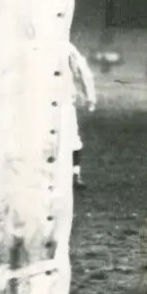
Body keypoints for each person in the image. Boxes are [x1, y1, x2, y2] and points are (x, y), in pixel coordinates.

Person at [66, 42, 97, 189]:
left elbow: (83, 73)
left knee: (72, 139)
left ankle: (75, 174)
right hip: (40, 102)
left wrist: (90, 96)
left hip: (63, 102)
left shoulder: (66, 48)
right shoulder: (34, 46)